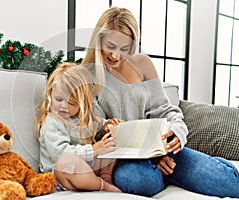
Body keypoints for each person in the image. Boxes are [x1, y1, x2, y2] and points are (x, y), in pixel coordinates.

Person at [81, 6, 239, 198]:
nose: (115, 56)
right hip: (122, 158)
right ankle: (164, 171)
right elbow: (92, 130)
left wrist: (177, 133)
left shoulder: (142, 64)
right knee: (140, 181)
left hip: (160, 149)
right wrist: (107, 127)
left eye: (125, 48)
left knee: (230, 185)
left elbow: (166, 111)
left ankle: (208, 164)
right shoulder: (87, 76)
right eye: (110, 46)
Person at [37, 62, 122, 192]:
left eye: (72, 103)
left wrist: (108, 125)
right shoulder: (52, 122)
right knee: (66, 162)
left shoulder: (82, 119)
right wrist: (93, 150)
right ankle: (101, 186)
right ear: (50, 96)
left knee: (109, 141)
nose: (64, 106)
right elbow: (60, 154)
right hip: (60, 176)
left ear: (82, 102)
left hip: (88, 171)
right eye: (59, 99)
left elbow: (98, 124)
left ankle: (106, 176)